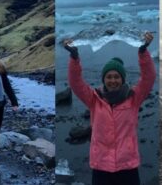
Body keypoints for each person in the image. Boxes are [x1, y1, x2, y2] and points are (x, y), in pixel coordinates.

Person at [64, 32, 156, 185]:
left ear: (122, 79)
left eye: (116, 76)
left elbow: (149, 77)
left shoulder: (133, 98)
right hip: (101, 166)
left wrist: (143, 51)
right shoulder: (94, 99)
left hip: (128, 166)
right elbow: (76, 82)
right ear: (104, 79)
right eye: (109, 77)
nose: (113, 80)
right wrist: (74, 58)